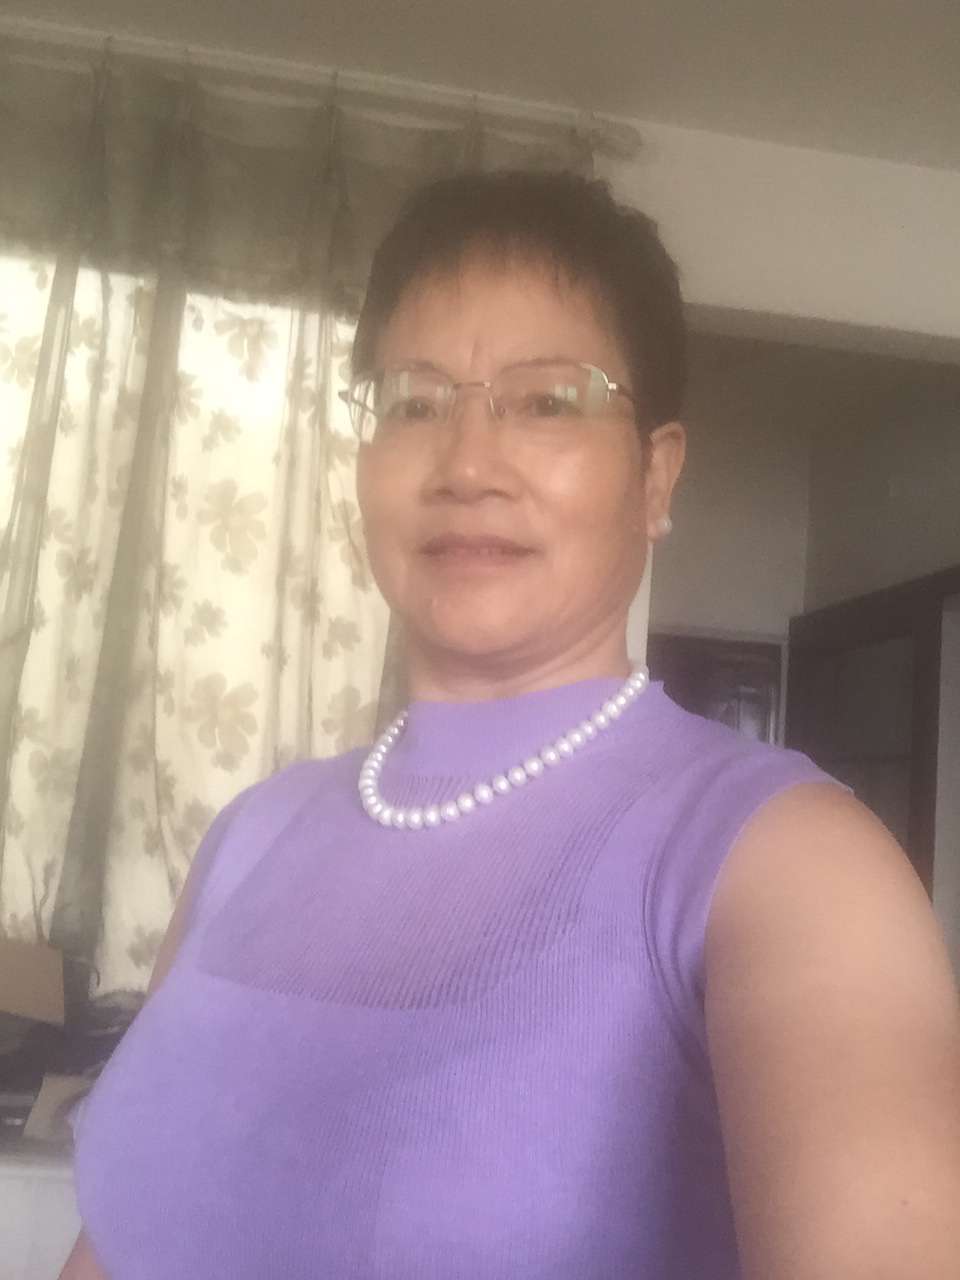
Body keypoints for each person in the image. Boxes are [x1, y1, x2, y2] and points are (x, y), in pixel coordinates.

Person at [62, 170, 960, 1279]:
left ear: (655, 475)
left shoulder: (788, 863)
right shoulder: (250, 837)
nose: (467, 465)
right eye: (415, 401)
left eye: (548, 401)